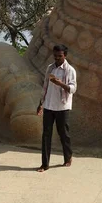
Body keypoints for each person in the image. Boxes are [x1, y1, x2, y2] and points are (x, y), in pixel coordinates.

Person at [36, 44, 77, 172]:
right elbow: (45, 87)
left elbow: (73, 88)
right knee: (46, 135)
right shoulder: (50, 68)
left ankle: (68, 156)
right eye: (55, 56)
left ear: (65, 55)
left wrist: (60, 83)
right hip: (49, 105)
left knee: (63, 133)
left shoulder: (70, 70)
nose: (57, 58)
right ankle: (45, 164)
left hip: (62, 106)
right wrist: (41, 103)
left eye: (60, 56)